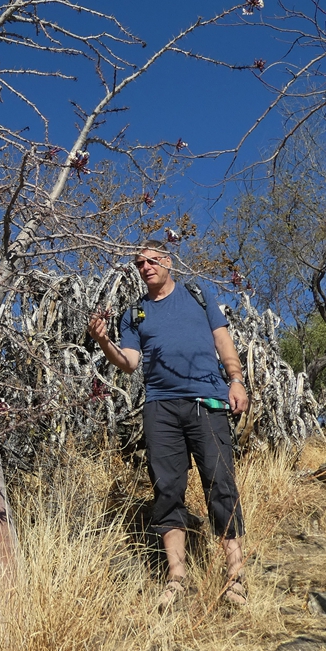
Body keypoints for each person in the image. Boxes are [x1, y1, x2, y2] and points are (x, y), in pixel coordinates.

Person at [86, 238, 249, 612]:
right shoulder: (135, 314)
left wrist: (236, 379)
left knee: (220, 483)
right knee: (167, 488)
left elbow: (222, 339)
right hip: (160, 407)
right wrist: (104, 342)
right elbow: (128, 363)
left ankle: (235, 575)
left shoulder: (198, 295)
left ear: (169, 261)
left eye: (152, 259)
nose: (146, 267)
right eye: (139, 262)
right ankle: (177, 577)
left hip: (206, 400)